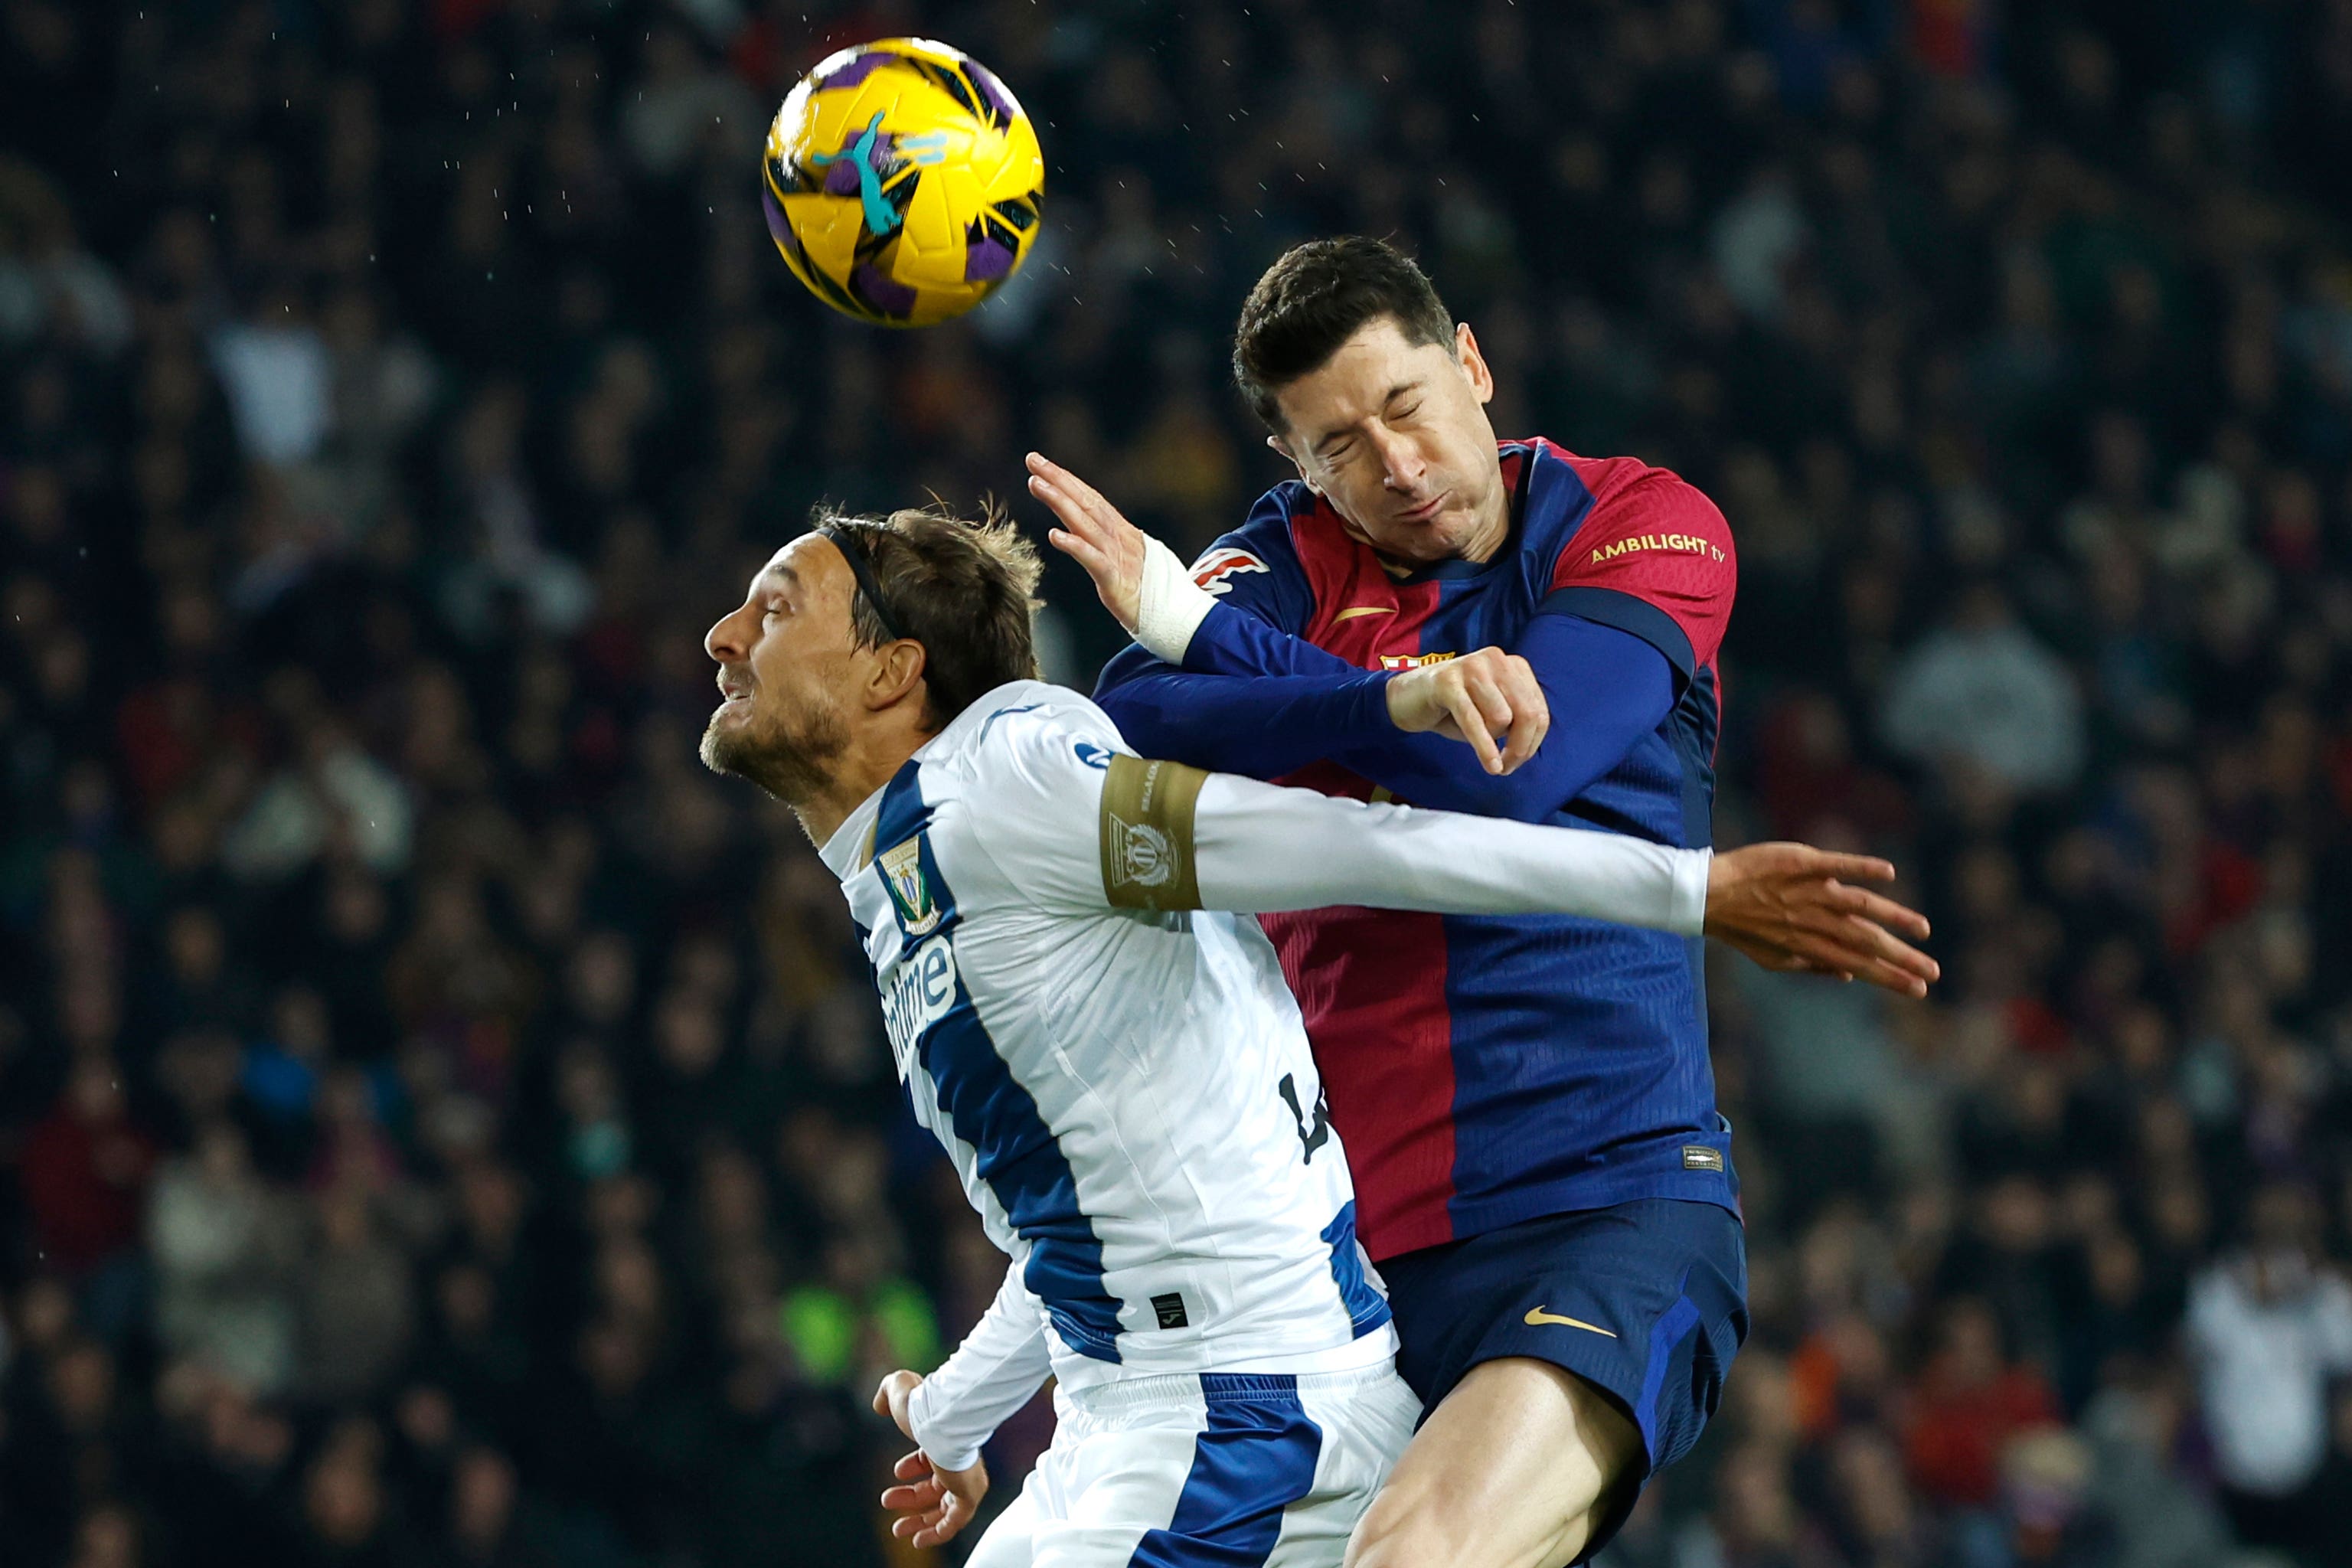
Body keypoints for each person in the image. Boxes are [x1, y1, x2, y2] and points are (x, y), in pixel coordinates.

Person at [696, 505, 1935, 1566]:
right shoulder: (916, 866)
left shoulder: (1008, 784)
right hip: (1151, 1410)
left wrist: (1687, 890)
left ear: (890, 670)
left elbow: (1363, 846)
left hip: (1231, 1424)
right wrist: (956, 1418)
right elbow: (1095, 1213)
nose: (723, 636)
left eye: (773, 605)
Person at [1029, 236, 1772, 1568]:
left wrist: (1241, 664)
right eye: (1338, 447)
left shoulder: (1640, 522)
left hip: (1604, 1208)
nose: (1399, 466)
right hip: (1337, 1270)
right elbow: (1132, 716)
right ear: (1295, 469)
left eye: (1409, 406)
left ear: (1473, 363)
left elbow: (1503, 771)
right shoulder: (1286, 564)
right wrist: (1381, 705)